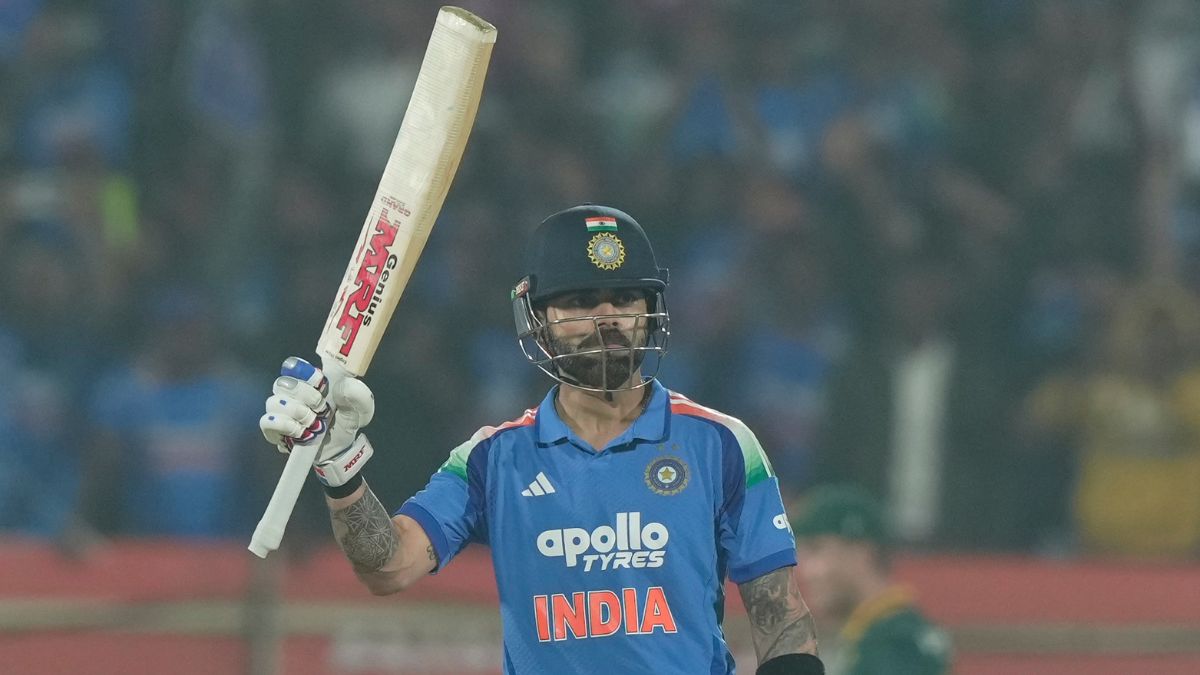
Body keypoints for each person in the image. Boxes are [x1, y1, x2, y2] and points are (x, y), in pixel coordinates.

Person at [260, 204, 824, 674]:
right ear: (538, 318)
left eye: (625, 297)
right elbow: (388, 567)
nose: (607, 317)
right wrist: (338, 462)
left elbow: (780, 617)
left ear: (650, 311)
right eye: (580, 301)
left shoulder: (721, 444)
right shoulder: (493, 458)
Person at [792, 485, 951, 675]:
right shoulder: (879, 637)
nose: (805, 571)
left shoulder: (894, 646)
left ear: (860, 552)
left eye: (816, 549)